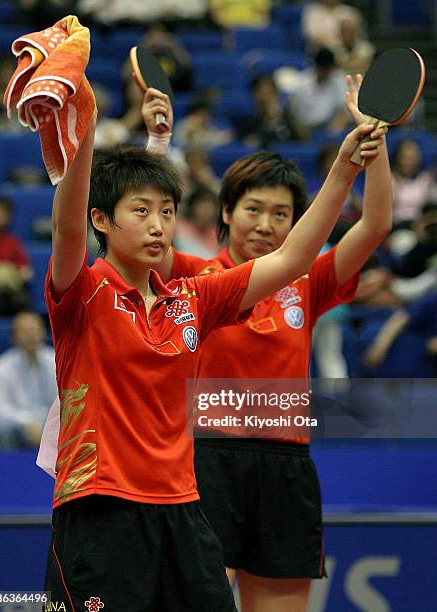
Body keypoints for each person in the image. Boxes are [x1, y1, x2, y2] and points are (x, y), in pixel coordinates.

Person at [36, 47, 385, 609]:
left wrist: (345, 167)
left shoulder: (193, 297)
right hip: (100, 510)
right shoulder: (85, 292)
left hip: (183, 509)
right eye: (141, 212)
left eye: (167, 212)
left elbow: (294, 259)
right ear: (103, 220)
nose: (158, 226)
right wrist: (85, 129)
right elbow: (65, 228)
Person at [154, 74, 392, 611]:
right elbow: (149, 244)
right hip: (205, 462)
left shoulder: (309, 283)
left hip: (286, 467)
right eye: (253, 209)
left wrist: (372, 147)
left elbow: (375, 224)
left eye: (281, 214)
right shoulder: (195, 276)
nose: (264, 224)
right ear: (226, 212)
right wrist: (159, 146)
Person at [0, 311, 57, 448]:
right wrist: (27, 422)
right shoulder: (1, 366)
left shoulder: (56, 361)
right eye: (26, 331)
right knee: (3, 429)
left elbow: (63, 401)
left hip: (50, 423)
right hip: (17, 425)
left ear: (44, 333)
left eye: (35, 329)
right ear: (14, 336)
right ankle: (5, 469)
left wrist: (47, 424)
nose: (31, 334)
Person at [0, 195, 32, 316]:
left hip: (8, 293)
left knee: (20, 301)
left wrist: (10, 273)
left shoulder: (12, 242)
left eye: (4, 213)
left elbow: (26, 273)